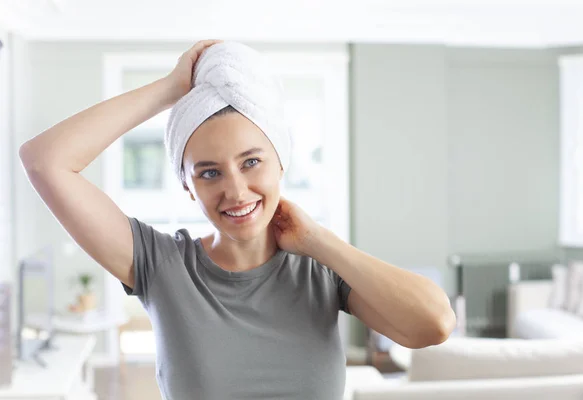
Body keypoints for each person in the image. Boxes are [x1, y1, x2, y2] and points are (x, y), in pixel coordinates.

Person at [19, 40, 456, 400]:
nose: (235, 190)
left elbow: (434, 323)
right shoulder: (163, 266)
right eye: (209, 172)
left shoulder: (320, 269)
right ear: (188, 187)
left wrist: (319, 242)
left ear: (280, 162)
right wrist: (170, 88)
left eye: (251, 162)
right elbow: (44, 161)